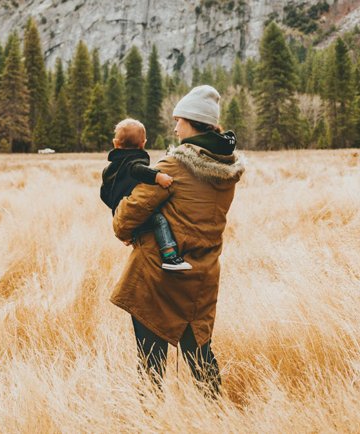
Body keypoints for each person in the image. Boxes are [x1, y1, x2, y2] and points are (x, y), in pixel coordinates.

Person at [110, 85, 245, 398]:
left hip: (158, 278)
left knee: (150, 366)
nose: (174, 127)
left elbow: (127, 216)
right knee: (200, 359)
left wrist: (125, 225)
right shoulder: (226, 170)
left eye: (179, 120)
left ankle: (149, 422)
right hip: (201, 278)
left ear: (194, 123)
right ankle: (216, 418)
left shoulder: (173, 166)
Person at [100, 118, 192, 271]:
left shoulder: (109, 170)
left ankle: (132, 234)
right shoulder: (133, 161)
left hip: (120, 212)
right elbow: (138, 170)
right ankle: (170, 256)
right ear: (143, 143)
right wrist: (158, 177)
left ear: (115, 143)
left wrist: (117, 207)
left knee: (142, 230)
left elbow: (104, 194)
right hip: (133, 209)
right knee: (159, 220)